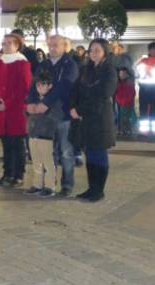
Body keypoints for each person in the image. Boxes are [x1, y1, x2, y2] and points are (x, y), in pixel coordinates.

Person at [28, 35, 79, 196]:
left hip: (63, 114)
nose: (52, 48)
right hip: (44, 116)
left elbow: (63, 87)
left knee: (65, 151)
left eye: (56, 45)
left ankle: (67, 184)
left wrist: (46, 103)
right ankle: (47, 184)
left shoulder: (70, 65)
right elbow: (34, 84)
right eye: (50, 45)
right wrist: (31, 102)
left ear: (64, 47)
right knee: (47, 151)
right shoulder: (44, 64)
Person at [70, 39, 117, 202]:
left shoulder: (109, 71)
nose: (93, 53)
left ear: (105, 52)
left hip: (100, 118)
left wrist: (80, 110)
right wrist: (73, 107)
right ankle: (91, 188)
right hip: (85, 119)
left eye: (97, 50)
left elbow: (103, 95)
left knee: (99, 153)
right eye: (91, 50)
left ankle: (98, 190)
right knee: (89, 153)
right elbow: (76, 90)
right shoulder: (85, 70)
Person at [0, 33, 32, 186]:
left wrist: (7, 103)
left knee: (17, 144)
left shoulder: (22, 63)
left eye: (9, 43)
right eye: (4, 43)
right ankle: (7, 173)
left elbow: (24, 88)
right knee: (6, 144)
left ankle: (18, 175)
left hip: (15, 110)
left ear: (17, 46)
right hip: (1, 110)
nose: (5, 46)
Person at [25, 70, 63, 197]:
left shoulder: (53, 101)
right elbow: (28, 112)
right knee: (36, 161)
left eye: (43, 85)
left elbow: (56, 116)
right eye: (38, 85)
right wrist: (31, 110)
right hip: (33, 134)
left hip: (46, 135)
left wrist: (40, 111)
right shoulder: (33, 99)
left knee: (48, 162)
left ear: (50, 86)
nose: (40, 88)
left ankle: (50, 186)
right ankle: (37, 184)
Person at [135, 42, 155, 133]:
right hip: (145, 89)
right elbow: (138, 73)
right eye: (154, 49)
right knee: (143, 110)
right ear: (149, 50)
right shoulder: (143, 61)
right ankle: (144, 132)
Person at [115, 68, 136, 136]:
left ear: (127, 74)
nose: (122, 75)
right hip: (119, 102)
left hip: (127, 102)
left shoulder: (129, 83)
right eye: (120, 74)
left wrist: (128, 100)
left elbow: (132, 92)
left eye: (123, 74)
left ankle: (127, 129)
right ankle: (120, 129)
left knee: (126, 116)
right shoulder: (117, 82)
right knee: (119, 116)